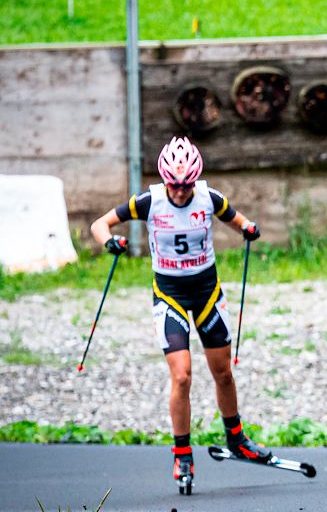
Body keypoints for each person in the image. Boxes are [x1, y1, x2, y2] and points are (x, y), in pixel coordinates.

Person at [89, 136, 271, 491]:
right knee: (183, 377)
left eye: (187, 185)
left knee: (223, 372)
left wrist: (249, 229)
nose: (182, 193)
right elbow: (100, 224)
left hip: (206, 292)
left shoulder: (209, 197)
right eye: (176, 186)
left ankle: (237, 438)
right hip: (169, 294)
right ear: (165, 180)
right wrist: (109, 242)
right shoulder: (149, 201)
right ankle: (182, 454)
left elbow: (237, 220)